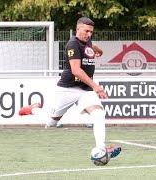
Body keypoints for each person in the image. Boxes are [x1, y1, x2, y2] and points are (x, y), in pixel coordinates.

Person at [19, 17, 121, 159]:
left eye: (91, 31)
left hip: (85, 90)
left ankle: (101, 150)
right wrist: (96, 86)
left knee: (98, 114)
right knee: (51, 122)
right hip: (67, 89)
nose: (89, 34)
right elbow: (76, 70)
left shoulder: (88, 40)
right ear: (78, 29)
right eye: (86, 31)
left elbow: (90, 48)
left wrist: (96, 49)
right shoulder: (72, 44)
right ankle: (33, 109)